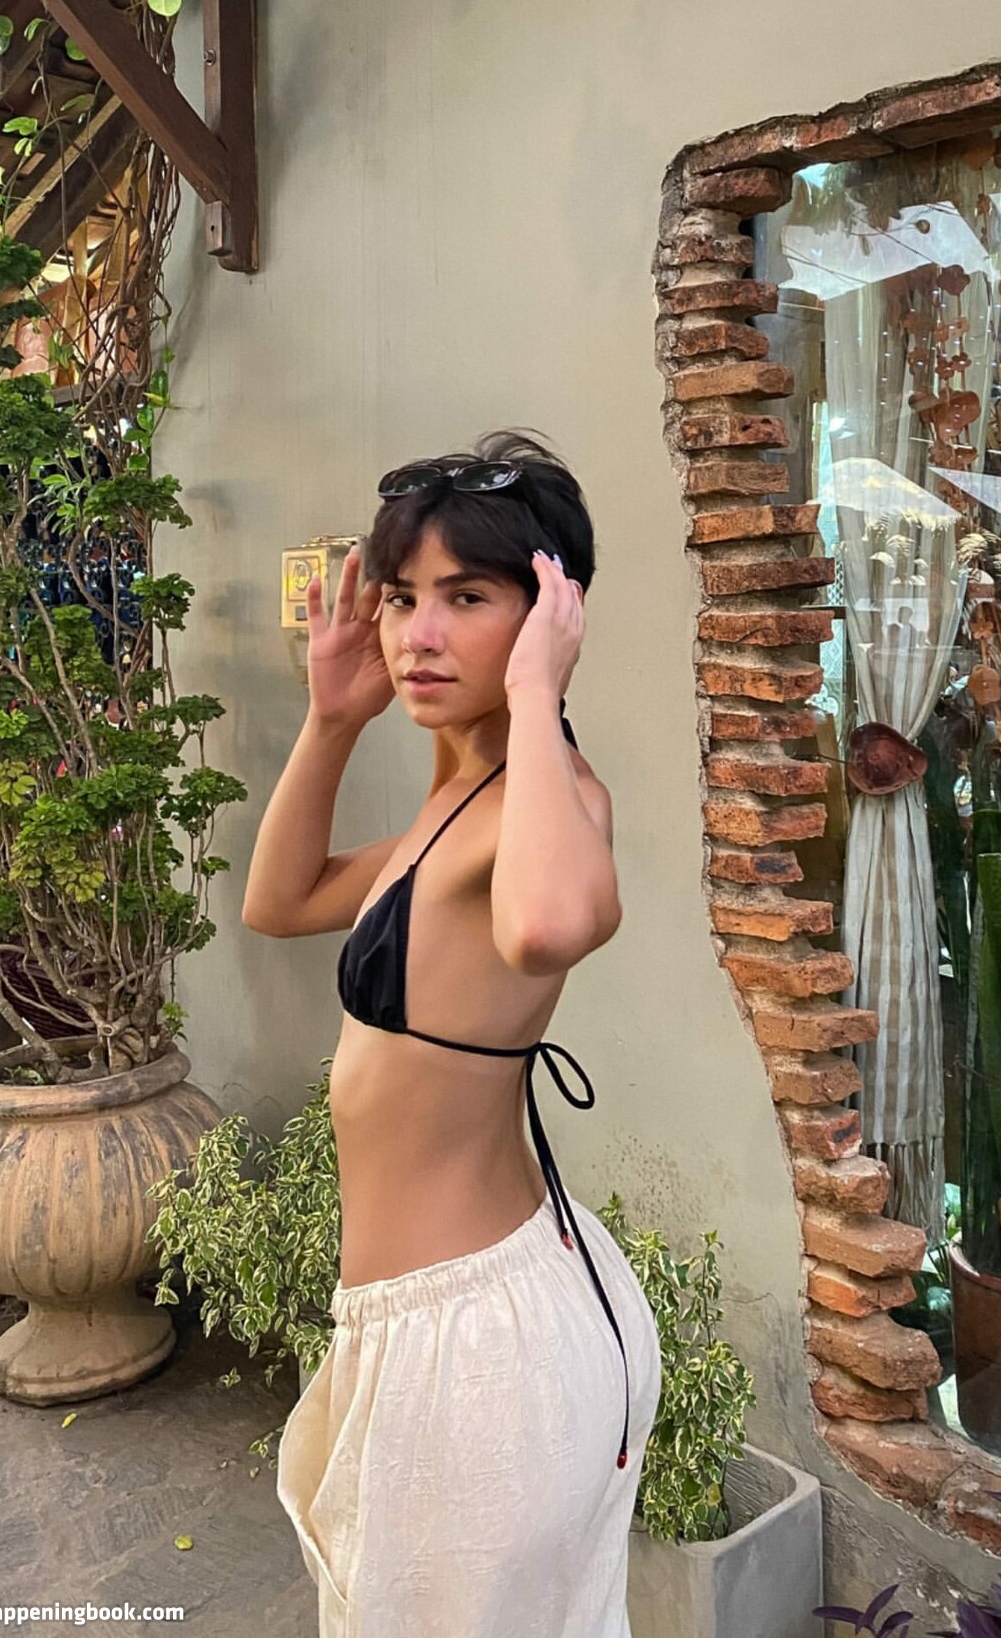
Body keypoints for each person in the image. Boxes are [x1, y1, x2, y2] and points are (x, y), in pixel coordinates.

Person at [243, 429, 662, 1637]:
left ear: (549, 613)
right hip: (427, 1320)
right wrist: (332, 722)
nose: (418, 633)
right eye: (402, 597)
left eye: (467, 598)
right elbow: (280, 901)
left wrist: (536, 696)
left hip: (478, 1345)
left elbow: (547, 925)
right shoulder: (457, 805)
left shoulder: (557, 800)